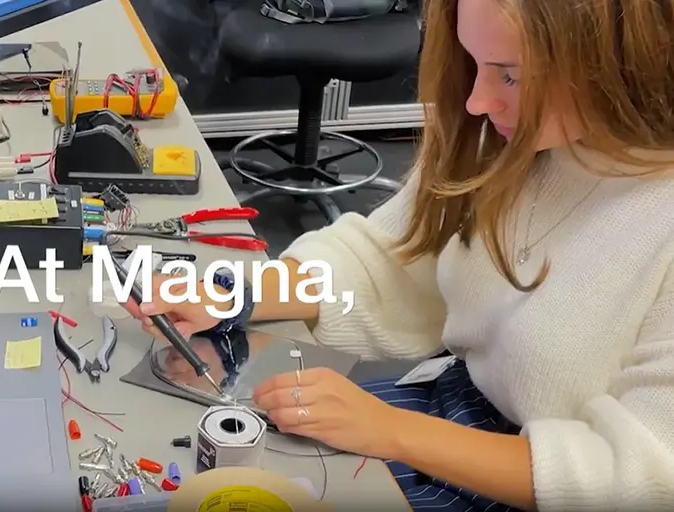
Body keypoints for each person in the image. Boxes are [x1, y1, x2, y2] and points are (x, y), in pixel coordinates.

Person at [124, 0, 674, 509]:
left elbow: (641, 476)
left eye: (510, 74)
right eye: (473, 62)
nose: (477, 101)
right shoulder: (509, 134)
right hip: (450, 411)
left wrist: (391, 431)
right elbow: (393, 260)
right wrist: (232, 295)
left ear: (619, 62)